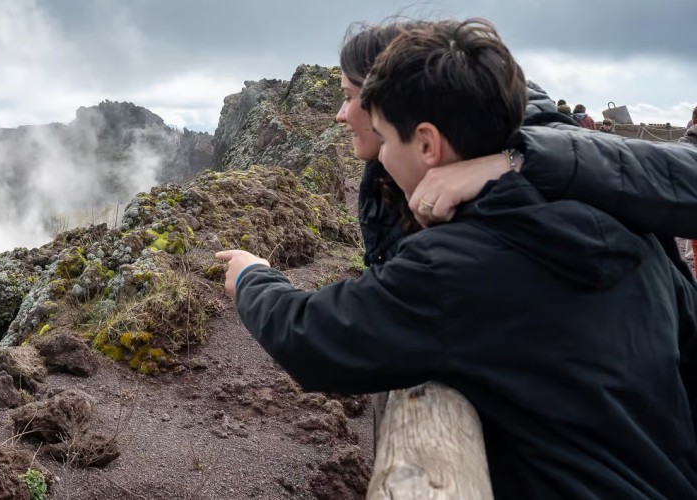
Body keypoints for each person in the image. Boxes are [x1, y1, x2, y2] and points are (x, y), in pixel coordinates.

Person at [217, 19, 697, 498]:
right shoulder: (605, 203)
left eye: (385, 137)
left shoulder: (463, 261)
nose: (380, 155)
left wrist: (252, 277)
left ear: (427, 143)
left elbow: (316, 336)